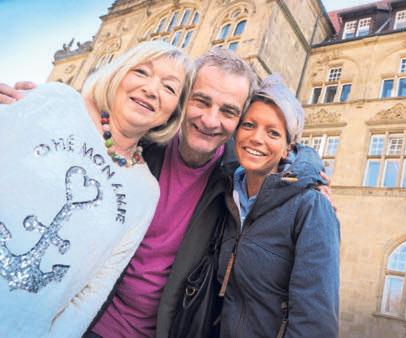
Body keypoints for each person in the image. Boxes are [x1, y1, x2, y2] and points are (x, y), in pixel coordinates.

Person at [0, 48, 334, 338]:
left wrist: (304, 171)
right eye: (201, 101)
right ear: (181, 99)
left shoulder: (234, 179)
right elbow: (105, 114)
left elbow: (277, 140)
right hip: (77, 320)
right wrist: (53, 106)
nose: (210, 120)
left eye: (229, 112)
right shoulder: (142, 144)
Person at [0, 40, 194, 338]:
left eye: (169, 88)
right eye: (141, 72)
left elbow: (90, 295)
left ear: (174, 112)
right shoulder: (56, 101)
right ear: (117, 74)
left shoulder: (145, 191)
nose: (152, 90)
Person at [217, 75, 340, 337]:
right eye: (248, 125)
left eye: (273, 132)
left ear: (288, 148)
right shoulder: (226, 193)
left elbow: (314, 322)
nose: (256, 138)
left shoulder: (312, 207)